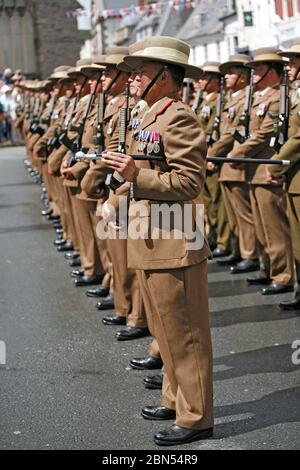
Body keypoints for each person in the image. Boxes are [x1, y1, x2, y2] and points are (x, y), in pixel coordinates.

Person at [102, 36, 214, 446]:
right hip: (151, 234)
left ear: (164, 78)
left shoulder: (179, 118)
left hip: (176, 235)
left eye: (142, 73)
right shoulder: (149, 117)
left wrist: (135, 176)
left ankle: (197, 415)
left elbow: (188, 182)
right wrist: (114, 200)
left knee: (186, 334)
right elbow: (135, 171)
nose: (133, 79)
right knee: (166, 331)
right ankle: (174, 398)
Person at [228, 48, 295, 295]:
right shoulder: (260, 97)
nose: (253, 72)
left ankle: (284, 274)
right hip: (254, 169)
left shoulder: (278, 98)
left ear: (271, 71)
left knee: (274, 227)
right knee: (261, 225)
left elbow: (264, 133)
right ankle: (269, 269)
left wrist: (238, 152)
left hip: (266, 166)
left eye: (258, 68)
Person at [267, 42, 300, 310]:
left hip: (294, 174)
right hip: (294, 178)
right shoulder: (295, 95)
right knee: (297, 243)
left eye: (294, 62)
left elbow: (298, 139)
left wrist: (275, 165)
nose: (289, 67)